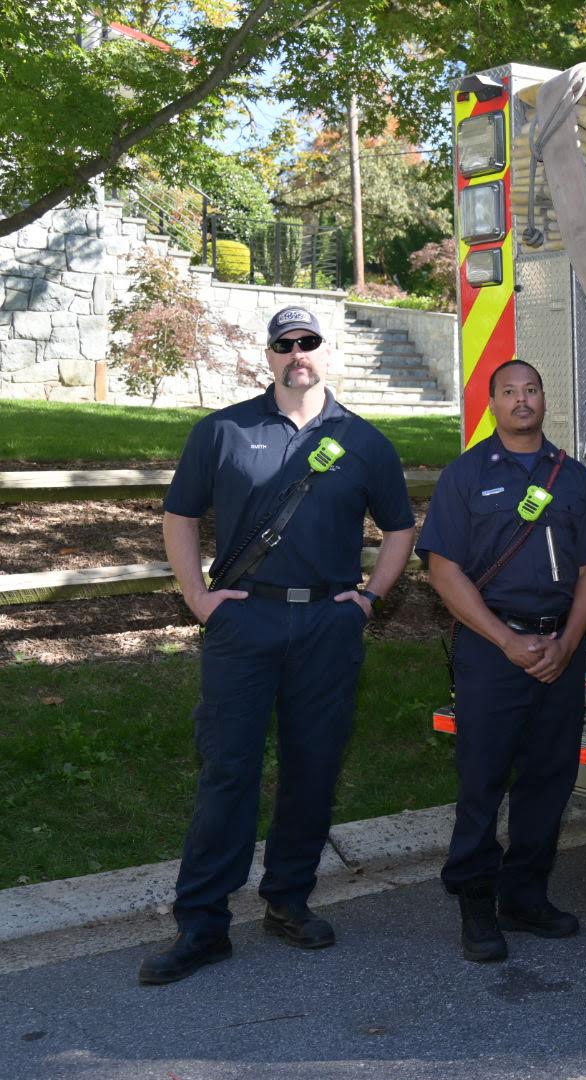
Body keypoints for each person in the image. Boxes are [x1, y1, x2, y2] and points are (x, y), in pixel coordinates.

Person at [140, 306, 416, 986]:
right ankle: (202, 924)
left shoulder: (364, 441)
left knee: (313, 766)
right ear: (268, 356)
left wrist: (371, 598)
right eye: (285, 344)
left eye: (310, 342)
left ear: (328, 352)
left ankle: (288, 901)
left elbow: (401, 529)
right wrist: (196, 597)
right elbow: (179, 517)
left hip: (327, 624)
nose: (299, 353)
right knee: (228, 769)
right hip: (245, 623)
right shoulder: (224, 431)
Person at [416, 359, 586, 962]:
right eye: (509, 392)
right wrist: (505, 640)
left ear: (545, 399)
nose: (522, 400)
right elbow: (443, 571)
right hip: (493, 651)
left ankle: (524, 898)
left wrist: (568, 645)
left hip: (559, 651)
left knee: (548, 783)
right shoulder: (467, 476)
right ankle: (476, 905)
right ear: (492, 403)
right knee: (483, 781)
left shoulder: (572, 477)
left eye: (532, 389)